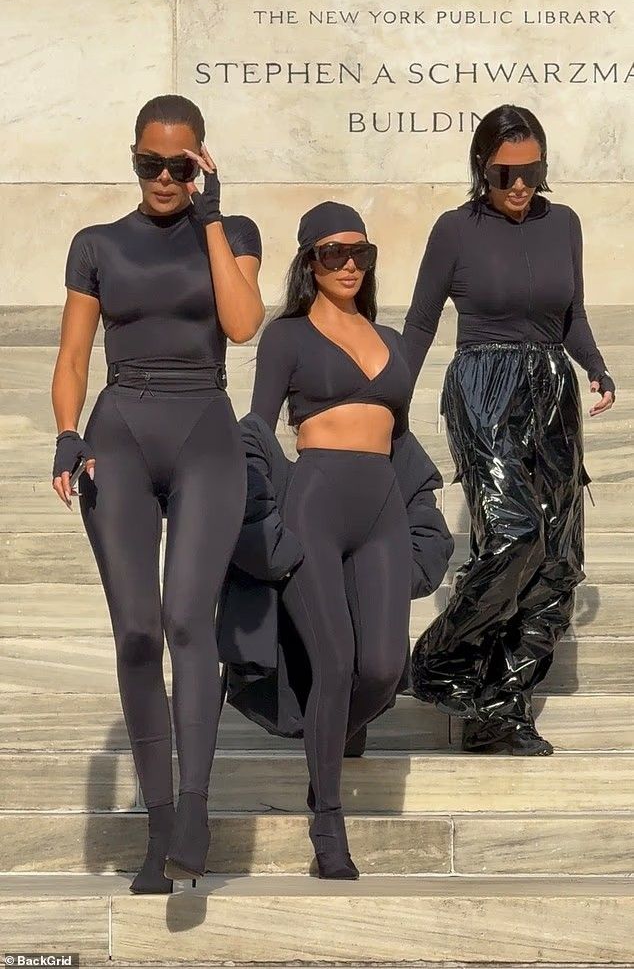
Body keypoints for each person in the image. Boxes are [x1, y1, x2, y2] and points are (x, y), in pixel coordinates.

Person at [51, 94, 265, 893]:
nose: (165, 178)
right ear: (135, 159)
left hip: (204, 427)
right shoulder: (97, 244)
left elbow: (242, 324)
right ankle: (159, 827)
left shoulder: (232, 233)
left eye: (180, 165)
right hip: (120, 435)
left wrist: (213, 218)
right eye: (151, 163)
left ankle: (196, 810)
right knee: (138, 633)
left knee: (185, 618)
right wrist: (67, 431)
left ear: (201, 161)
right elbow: (74, 355)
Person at [403, 104, 616, 756]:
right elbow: (419, 322)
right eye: (504, 174)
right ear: (482, 168)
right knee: (514, 536)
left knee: (558, 560)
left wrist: (596, 366)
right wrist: (388, 403)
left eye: (531, 172)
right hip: (483, 387)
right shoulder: (454, 229)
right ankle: (436, 660)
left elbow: (572, 314)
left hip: (552, 389)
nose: (519, 185)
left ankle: (501, 708)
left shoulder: (564, 224)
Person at [250, 201, 417, 878]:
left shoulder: (392, 339)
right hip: (314, 502)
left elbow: (402, 438)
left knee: (383, 668)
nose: (349, 265)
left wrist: (422, 507)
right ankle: (327, 822)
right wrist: (259, 512)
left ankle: (330, 731)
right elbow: (258, 428)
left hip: (382, 507)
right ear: (308, 262)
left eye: (360, 253)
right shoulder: (286, 336)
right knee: (337, 662)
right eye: (333, 253)